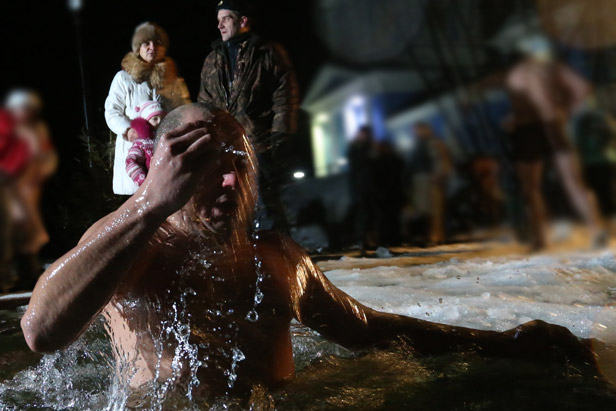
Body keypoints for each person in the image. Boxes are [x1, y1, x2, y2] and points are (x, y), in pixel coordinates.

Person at [21, 104, 593, 400]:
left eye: (237, 164)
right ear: (165, 171)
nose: (226, 183)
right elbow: (41, 331)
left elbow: (374, 331)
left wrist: (506, 343)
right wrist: (148, 203)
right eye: (201, 165)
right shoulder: (133, 246)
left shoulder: (279, 259)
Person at [198, 0, 299, 231]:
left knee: (265, 202)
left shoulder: (268, 53)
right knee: (228, 203)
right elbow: (205, 104)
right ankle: (238, 256)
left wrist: (281, 134)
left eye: (226, 19)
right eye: (218, 20)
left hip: (258, 142)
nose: (220, 25)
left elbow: (285, 96)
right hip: (224, 145)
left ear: (243, 21)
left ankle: (274, 256)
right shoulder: (212, 59)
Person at [504, 35, 604, 249]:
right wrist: (565, 110)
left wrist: (565, 109)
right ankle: (593, 229)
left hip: (532, 129)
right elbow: (582, 88)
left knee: (533, 188)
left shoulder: (523, 71)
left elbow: (582, 88)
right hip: (547, 127)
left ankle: (541, 240)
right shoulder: (549, 69)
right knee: (570, 183)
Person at [105, 22, 190, 196]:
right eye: (146, 43)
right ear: (138, 48)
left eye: (157, 43)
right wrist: (127, 130)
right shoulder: (124, 78)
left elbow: (183, 110)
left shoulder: (172, 79)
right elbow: (112, 110)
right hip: (135, 155)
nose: (153, 47)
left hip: (164, 154)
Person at [408, 122, 452, 246]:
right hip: (423, 180)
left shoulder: (434, 143)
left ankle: (438, 236)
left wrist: (438, 175)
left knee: (436, 210)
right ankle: (432, 235)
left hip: (432, 181)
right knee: (427, 210)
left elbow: (441, 160)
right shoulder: (420, 144)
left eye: (418, 130)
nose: (415, 133)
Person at [125, 100, 165, 186]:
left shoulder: (165, 136)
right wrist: (144, 181)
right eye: (155, 118)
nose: (159, 122)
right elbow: (131, 161)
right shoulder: (141, 142)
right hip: (152, 184)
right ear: (146, 121)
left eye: (162, 119)